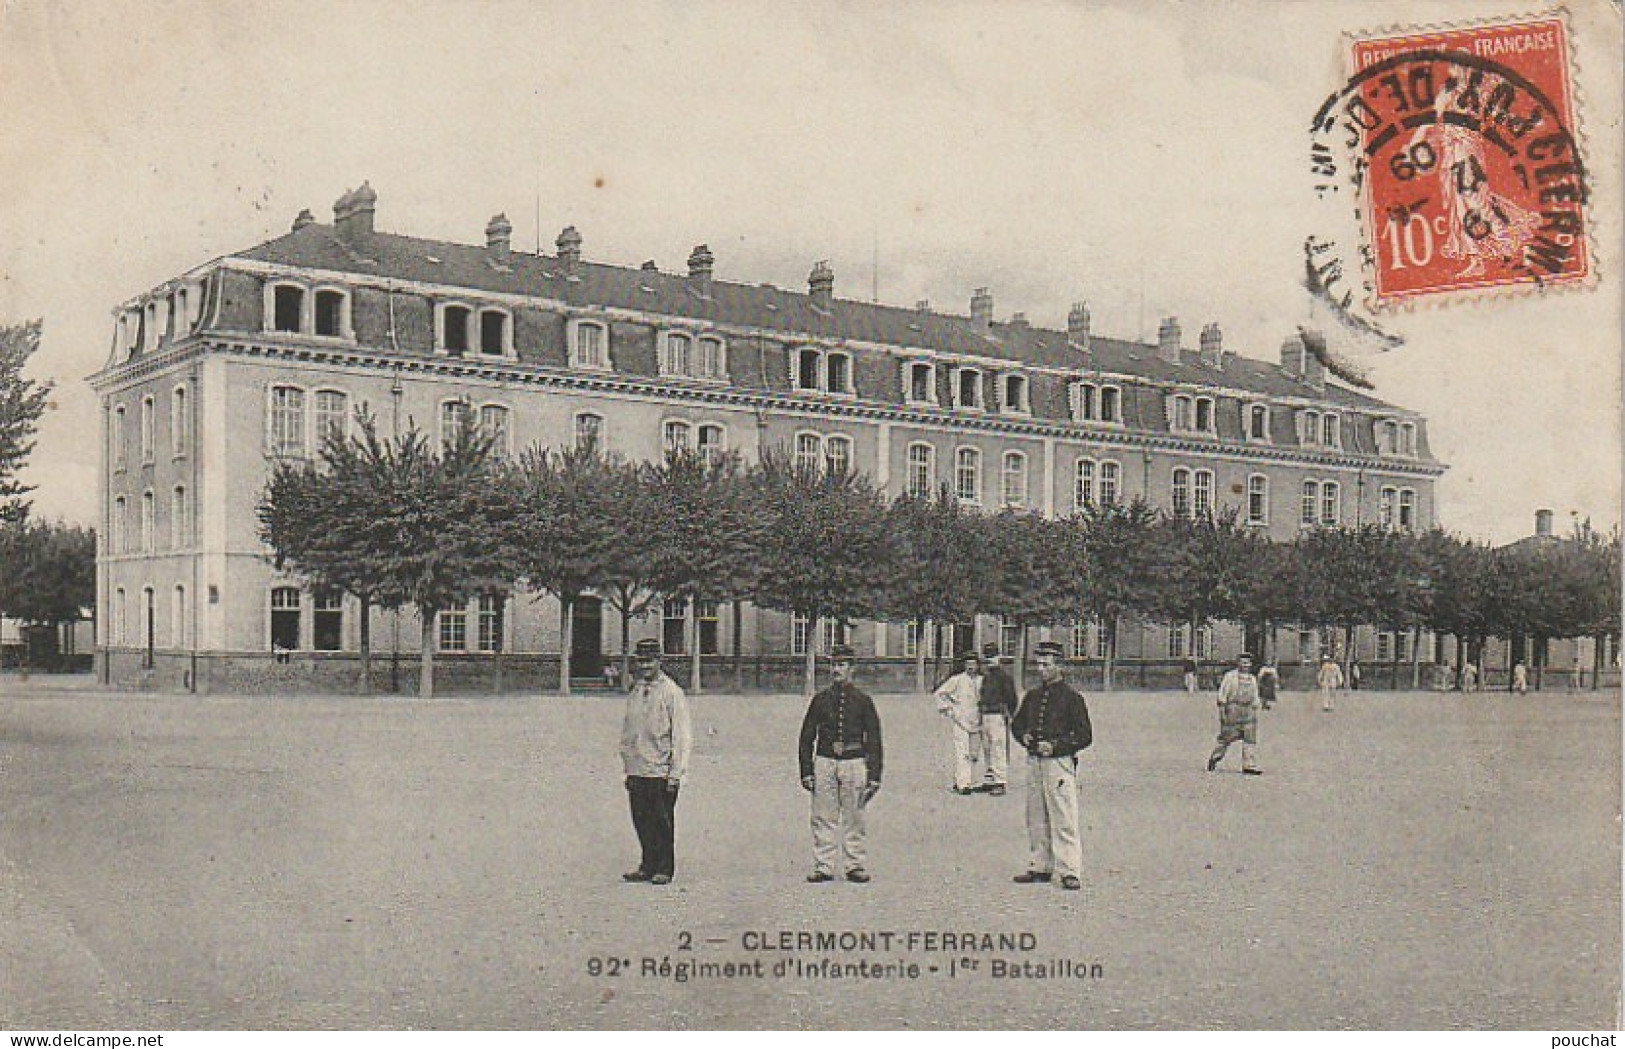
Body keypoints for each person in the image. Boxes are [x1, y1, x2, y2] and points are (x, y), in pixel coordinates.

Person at [1010, 640, 1093, 890]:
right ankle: (1040, 866)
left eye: (1046, 664)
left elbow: (1085, 736)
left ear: (1059, 666)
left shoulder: (1072, 699)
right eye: (1039, 664)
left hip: (1059, 763)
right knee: (1036, 816)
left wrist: (1057, 746)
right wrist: (1023, 736)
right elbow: (1017, 724)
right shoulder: (1033, 696)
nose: (1041, 669)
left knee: (1064, 817)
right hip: (1035, 762)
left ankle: (1070, 870)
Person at [798, 644, 883, 884]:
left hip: (854, 763)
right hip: (824, 762)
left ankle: (855, 864)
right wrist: (806, 770)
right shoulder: (820, 700)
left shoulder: (863, 701)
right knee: (822, 814)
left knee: (855, 815)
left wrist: (874, 775)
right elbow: (806, 736)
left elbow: (874, 739)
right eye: (834, 664)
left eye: (842, 664)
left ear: (851, 668)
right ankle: (823, 865)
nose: (837, 669)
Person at [620, 638, 692, 886]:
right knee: (641, 820)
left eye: (650, 661)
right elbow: (630, 729)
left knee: (661, 821)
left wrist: (676, 773)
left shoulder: (672, 693)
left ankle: (664, 867)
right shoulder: (637, 689)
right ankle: (647, 864)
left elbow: (681, 736)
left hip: (660, 769)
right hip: (638, 767)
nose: (645, 666)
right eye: (641, 661)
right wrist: (628, 765)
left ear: (660, 661)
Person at [933, 651, 984, 795]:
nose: (971, 667)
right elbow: (940, 694)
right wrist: (949, 710)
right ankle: (963, 784)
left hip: (978, 720)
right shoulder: (957, 680)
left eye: (973, 664)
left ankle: (970, 781)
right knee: (962, 752)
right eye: (968, 664)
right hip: (960, 720)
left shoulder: (982, 681)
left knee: (974, 753)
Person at [1208, 652, 1263, 775]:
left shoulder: (1252, 679)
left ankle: (1249, 765)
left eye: (1247, 663)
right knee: (1226, 737)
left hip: (1248, 711)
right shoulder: (1230, 677)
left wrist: (1255, 707)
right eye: (1242, 662)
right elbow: (1223, 693)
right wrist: (1222, 710)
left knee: (1250, 739)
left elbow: (1255, 695)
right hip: (1233, 709)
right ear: (1238, 663)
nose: (1245, 665)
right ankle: (1215, 757)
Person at [977, 642, 1019, 795]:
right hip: (985, 715)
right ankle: (990, 779)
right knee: (987, 748)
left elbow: (1012, 698)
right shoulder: (985, 677)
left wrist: (1010, 715)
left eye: (992, 657)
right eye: (988, 658)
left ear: (998, 658)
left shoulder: (1004, 677)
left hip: (997, 716)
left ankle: (1000, 781)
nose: (990, 661)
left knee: (998, 747)